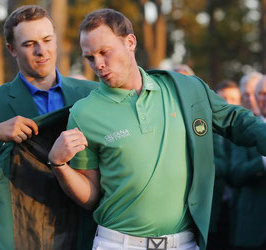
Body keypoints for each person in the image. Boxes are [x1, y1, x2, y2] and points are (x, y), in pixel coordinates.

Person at [47, 9, 266, 250]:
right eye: (89, 57)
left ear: (130, 42)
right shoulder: (84, 113)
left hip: (185, 243)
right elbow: (90, 196)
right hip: (118, 244)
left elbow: (237, 120)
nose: (98, 64)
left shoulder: (185, 89)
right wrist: (59, 165)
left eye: (104, 52)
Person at [0, 5, 98, 250]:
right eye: (29, 44)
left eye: (47, 40)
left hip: (85, 232)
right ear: (12, 50)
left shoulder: (90, 95)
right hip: (24, 234)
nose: (41, 51)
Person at [227, 76, 266, 249]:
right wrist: (263, 162)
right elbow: (235, 174)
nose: (264, 98)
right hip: (253, 231)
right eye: (262, 93)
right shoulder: (246, 128)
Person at [208, 80, 241, 250]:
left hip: (238, 212)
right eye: (224, 98)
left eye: (233, 98)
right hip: (213, 209)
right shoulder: (207, 130)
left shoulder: (245, 133)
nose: (229, 103)